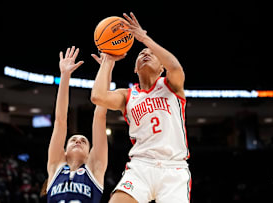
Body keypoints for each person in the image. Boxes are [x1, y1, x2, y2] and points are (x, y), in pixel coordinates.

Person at [91, 12, 191, 203]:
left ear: (162, 67)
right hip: (141, 166)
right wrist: (108, 62)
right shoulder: (127, 95)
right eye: (141, 53)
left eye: (151, 54)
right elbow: (98, 96)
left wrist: (144, 39)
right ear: (135, 69)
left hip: (174, 168)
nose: (145, 53)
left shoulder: (171, 85)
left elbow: (176, 67)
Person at [44, 46, 109, 203]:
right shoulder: (55, 166)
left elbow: (100, 116)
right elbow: (60, 121)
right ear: (64, 151)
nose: (78, 141)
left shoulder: (95, 169)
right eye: (73, 139)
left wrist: (106, 70)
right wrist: (65, 75)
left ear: (89, 154)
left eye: (83, 141)